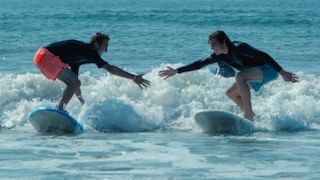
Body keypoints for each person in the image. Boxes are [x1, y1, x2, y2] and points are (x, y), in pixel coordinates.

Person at [159, 30, 298, 121]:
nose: (212, 48)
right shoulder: (219, 56)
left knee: (240, 77)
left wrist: (282, 72)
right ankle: (253, 117)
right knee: (231, 93)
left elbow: (264, 55)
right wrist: (177, 71)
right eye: (211, 46)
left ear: (223, 42)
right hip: (253, 73)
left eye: (214, 45)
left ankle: (248, 114)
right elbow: (200, 63)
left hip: (268, 69)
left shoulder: (240, 47)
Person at [34, 32, 150, 111]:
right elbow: (110, 68)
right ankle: (59, 109)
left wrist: (81, 100)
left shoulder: (80, 56)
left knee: (74, 82)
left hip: (40, 56)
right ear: (96, 44)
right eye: (105, 46)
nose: (106, 50)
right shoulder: (89, 51)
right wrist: (134, 77)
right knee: (74, 82)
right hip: (47, 56)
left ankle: (59, 109)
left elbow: (74, 83)